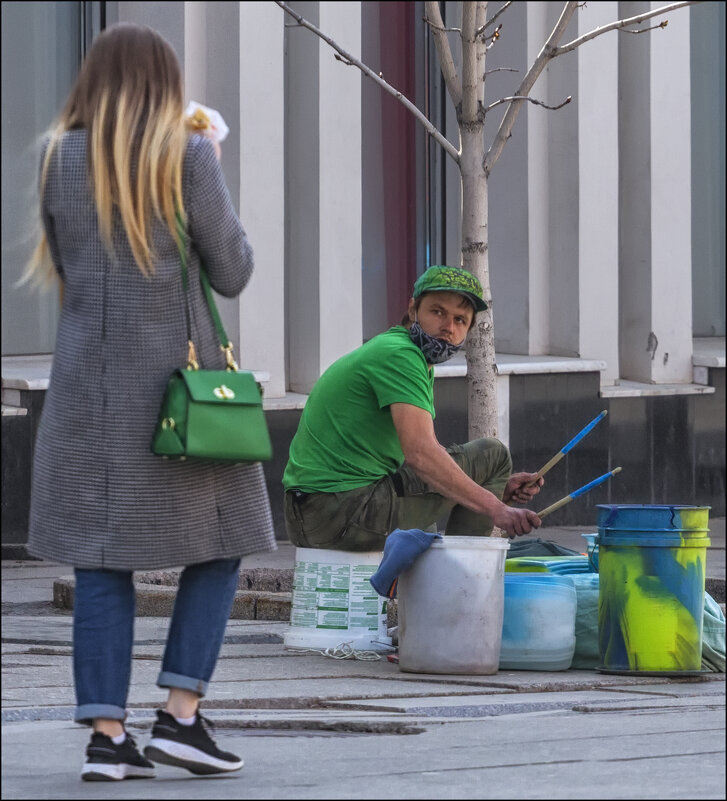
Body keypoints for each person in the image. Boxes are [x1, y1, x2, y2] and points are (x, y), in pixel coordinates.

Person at [23, 23, 277, 782]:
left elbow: (67, 265)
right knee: (225, 540)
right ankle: (179, 715)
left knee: (100, 560)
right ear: (164, 83)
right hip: (181, 398)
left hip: (85, 393)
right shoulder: (190, 153)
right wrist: (216, 172)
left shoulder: (55, 157)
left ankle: (107, 736)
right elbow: (230, 270)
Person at [283, 265, 543, 551]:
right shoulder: (402, 357)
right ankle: (461, 586)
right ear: (412, 310)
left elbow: (426, 463)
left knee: (427, 521)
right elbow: (421, 455)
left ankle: (434, 586)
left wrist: (490, 489)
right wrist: (496, 508)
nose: (449, 327)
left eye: (460, 320)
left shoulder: (395, 349)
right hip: (341, 512)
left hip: (314, 513)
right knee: (492, 456)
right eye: (438, 312)